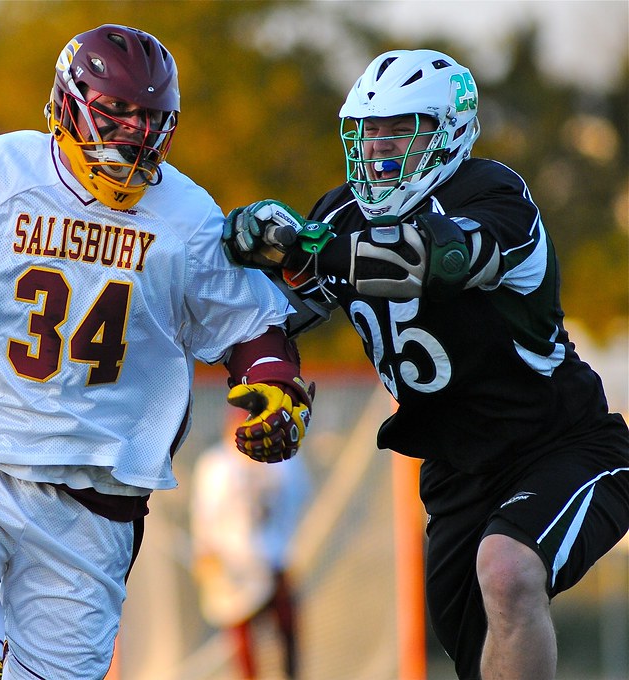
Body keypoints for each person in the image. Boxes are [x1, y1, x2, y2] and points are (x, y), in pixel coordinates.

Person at [0, 24, 315, 680]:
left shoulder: (189, 215)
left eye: (152, 117)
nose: (137, 131)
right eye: (119, 111)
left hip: (93, 505)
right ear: (71, 101)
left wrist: (275, 390)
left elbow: (255, 328)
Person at [222, 48, 629, 680]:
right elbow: (272, 317)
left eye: (399, 131)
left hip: (561, 444)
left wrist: (305, 248)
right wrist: (271, 377)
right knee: (479, 649)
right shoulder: (339, 216)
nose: (380, 150)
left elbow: (433, 259)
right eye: (368, 133)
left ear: (451, 133)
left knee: (508, 568)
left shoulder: (496, 193)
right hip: (455, 474)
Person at [191, 411, 312, 679]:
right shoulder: (217, 465)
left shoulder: (285, 460)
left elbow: (300, 498)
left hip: (274, 560)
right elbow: (205, 515)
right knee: (243, 641)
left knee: (287, 631)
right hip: (235, 565)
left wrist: (285, 541)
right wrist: (206, 553)